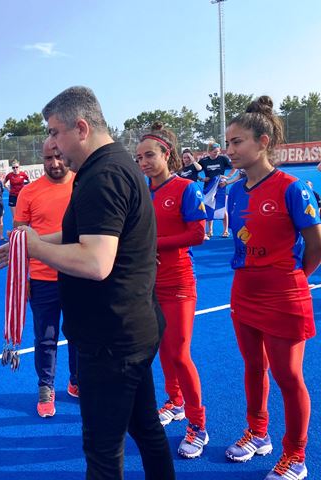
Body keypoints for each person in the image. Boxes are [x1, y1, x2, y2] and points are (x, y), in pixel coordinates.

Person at [0, 86, 175, 479]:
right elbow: (84, 234)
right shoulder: (111, 165)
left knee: (102, 451)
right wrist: (28, 244)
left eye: (55, 132)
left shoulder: (102, 176)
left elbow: (95, 261)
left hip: (111, 339)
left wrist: (36, 248)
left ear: (81, 128)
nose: (52, 144)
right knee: (145, 429)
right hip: (129, 327)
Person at [223, 96, 321, 480]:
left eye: (237, 142)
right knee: (253, 367)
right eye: (228, 143)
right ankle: (258, 432)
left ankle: (295, 456)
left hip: (284, 294)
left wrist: (291, 279)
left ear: (263, 142)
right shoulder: (234, 191)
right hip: (243, 290)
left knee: (288, 377)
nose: (230, 150)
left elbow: (315, 244)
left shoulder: (292, 188)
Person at [136, 123, 208, 459]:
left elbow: (197, 234)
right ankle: (175, 401)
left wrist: (154, 244)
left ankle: (198, 425)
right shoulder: (140, 191)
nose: (144, 163)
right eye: (139, 157)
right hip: (148, 284)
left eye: (149, 155)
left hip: (178, 283)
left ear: (167, 154)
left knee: (179, 353)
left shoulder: (186, 189)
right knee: (162, 349)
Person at [13, 140, 78, 418]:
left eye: (59, 156)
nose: (54, 163)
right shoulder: (29, 192)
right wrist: (23, 278)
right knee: (46, 338)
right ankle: (46, 387)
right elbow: (19, 240)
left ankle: (77, 381)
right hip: (42, 278)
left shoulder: (82, 185)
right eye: (48, 158)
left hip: (78, 273)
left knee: (79, 334)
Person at [199, 142, 236, 239]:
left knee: (222, 207)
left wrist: (228, 176)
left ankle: (225, 230)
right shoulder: (204, 161)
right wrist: (201, 179)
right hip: (209, 187)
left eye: (218, 152)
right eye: (215, 152)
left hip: (220, 186)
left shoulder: (222, 159)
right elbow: (194, 170)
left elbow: (234, 167)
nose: (217, 154)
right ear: (209, 152)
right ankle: (210, 230)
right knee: (209, 207)